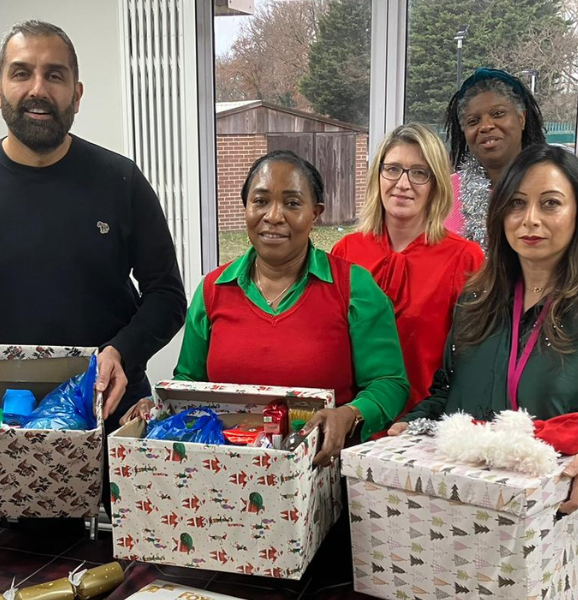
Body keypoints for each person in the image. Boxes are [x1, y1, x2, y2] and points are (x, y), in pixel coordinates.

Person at [389, 145, 578, 600]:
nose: (530, 220)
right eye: (516, 203)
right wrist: (410, 427)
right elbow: (445, 395)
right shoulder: (475, 302)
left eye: (550, 203)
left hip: (562, 530)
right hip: (465, 527)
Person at [0, 20, 186, 429]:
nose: (38, 89)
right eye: (21, 73)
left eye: (54, 75)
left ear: (76, 96)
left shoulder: (122, 182)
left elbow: (166, 297)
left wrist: (121, 352)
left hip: (105, 404)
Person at [130, 150, 409, 466]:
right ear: (246, 208)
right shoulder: (213, 290)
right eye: (260, 201)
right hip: (220, 478)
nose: (274, 216)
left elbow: (389, 383)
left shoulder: (353, 287)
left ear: (315, 213)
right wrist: (157, 408)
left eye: (292, 203)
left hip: (321, 478)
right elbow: (189, 383)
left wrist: (351, 414)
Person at [332, 124, 483, 416]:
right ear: (378, 176)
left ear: (436, 184)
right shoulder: (346, 252)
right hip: (353, 422)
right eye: (393, 169)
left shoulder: (465, 258)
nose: (402, 183)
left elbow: (475, 362)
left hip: (427, 424)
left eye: (418, 173)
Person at [443, 67, 546, 249]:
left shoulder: (552, 186)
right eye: (473, 121)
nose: (486, 126)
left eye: (498, 114)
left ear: (521, 118)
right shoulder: (444, 193)